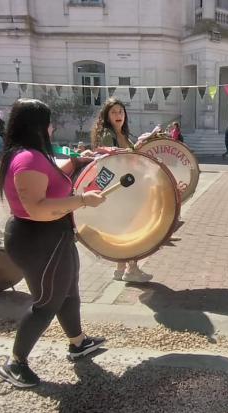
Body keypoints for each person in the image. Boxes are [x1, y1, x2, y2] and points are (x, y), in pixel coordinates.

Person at [0, 98, 106, 388]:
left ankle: (78, 343)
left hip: (54, 236)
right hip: (39, 239)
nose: (52, 127)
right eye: (49, 122)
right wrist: (83, 200)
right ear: (39, 126)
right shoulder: (28, 158)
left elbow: (50, 179)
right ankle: (15, 363)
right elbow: (37, 208)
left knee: (68, 293)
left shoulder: (30, 155)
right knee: (46, 303)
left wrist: (76, 162)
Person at [91, 97, 153, 283]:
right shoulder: (107, 135)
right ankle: (132, 269)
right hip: (119, 189)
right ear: (107, 116)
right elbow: (110, 161)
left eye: (121, 111)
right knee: (130, 229)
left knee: (124, 229)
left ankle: (120, 269)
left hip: (125, 187)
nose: (118, 115)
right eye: (114, 112)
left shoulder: (122, 135)